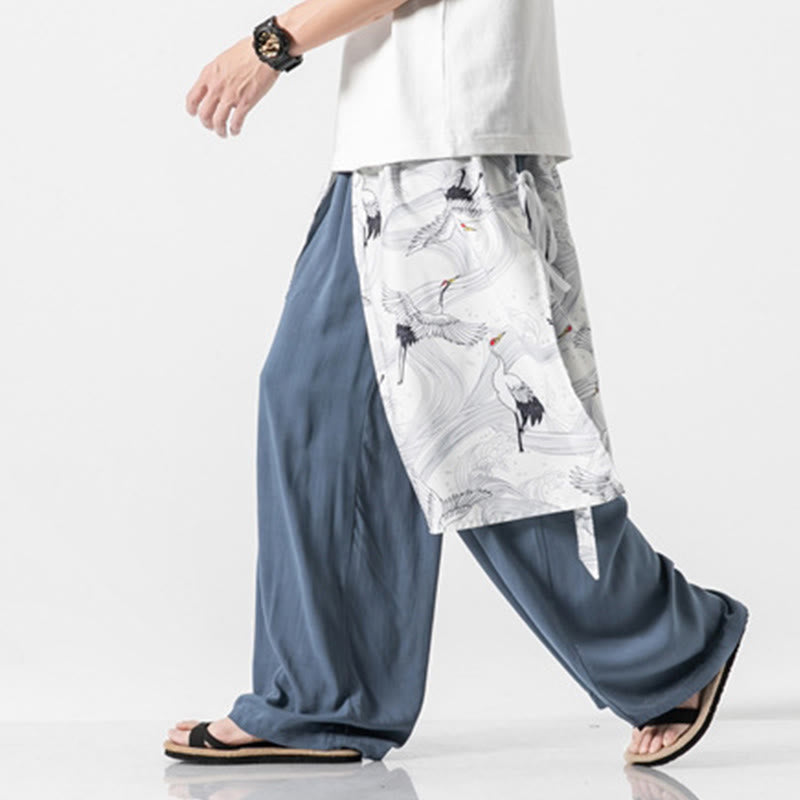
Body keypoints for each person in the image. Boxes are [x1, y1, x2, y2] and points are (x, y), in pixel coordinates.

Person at [164, 0, 749, 767]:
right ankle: (326, 697)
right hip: (403, 136)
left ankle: (670, 649)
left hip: (444, 140)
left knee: (492, 443)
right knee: (324, 406)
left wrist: (270, 45)